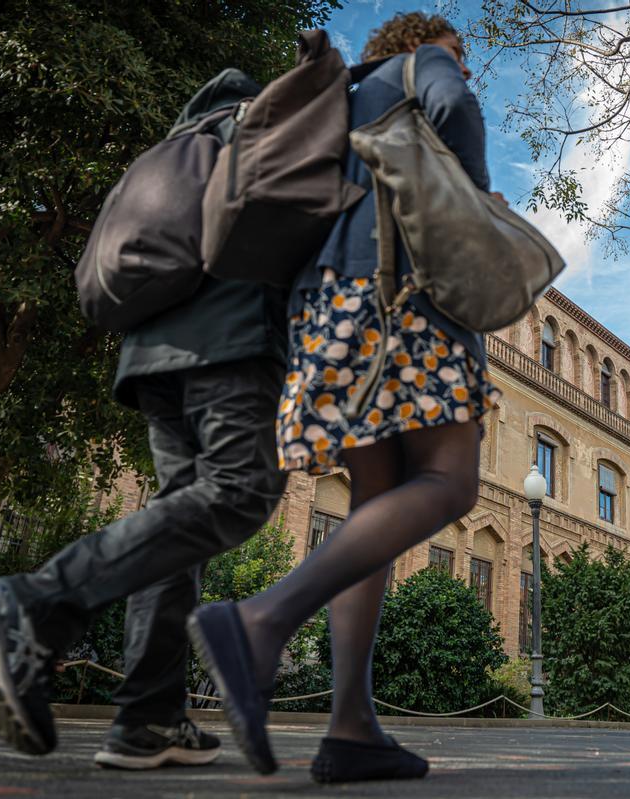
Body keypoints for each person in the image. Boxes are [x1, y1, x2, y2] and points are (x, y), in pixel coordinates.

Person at [187, 12, 501, 785]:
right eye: (463, 53)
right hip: (403, 293)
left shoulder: (344, 95)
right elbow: (455, 110)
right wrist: (473, 203)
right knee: (452, 479)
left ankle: (351, 725)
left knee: (377, 505)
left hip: (324, 307)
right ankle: (259, 619)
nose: (465, 67)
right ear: (422, 45)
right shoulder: (424, 65)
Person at [0, 68, 288, 771]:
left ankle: (148, 716)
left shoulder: (169, 148)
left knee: (178, 528)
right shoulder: (256, 124)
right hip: (226, 337)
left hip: (148, 353)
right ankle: (36, 599)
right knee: (243, 489)